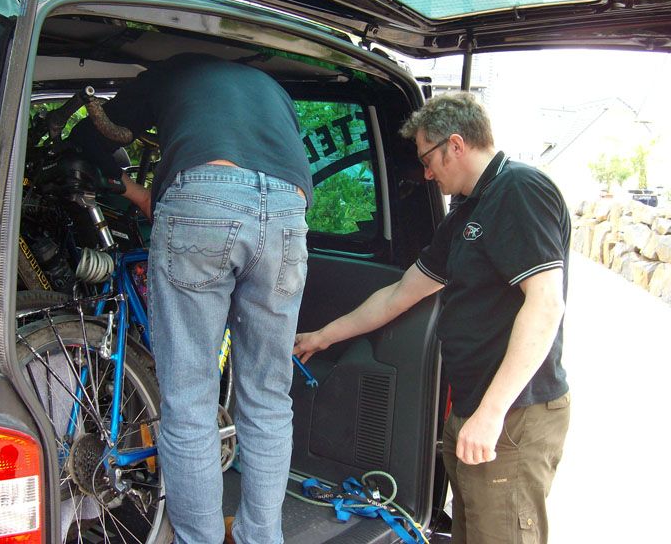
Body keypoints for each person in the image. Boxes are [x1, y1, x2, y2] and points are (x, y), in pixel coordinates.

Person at [293, 92, 570, 544]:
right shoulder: (467, 211)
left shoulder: (519, 190)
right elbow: (401, 293)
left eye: (427, 158)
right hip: (474, 407)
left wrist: (491, 414)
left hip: (514, 414)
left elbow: (546, 303)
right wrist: (323, 336)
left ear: (455, 145)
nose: (425, 173)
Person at [68, 53, 312, 544]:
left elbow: (95, 137)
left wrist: (130, 187)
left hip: (204, 195)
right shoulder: (270, 87)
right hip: (289, 210)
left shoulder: (167, 72)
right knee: (268, 397)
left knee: (189, 400)